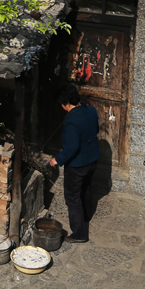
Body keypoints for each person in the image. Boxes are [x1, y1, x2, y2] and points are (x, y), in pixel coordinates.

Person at [48, 84, 100, 243]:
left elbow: (72, 147)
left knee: (72, 197)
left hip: (78, 164)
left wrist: (57, 159)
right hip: (92, 158)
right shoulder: (90, 110)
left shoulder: (71, 120)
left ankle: (79, 233)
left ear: (65, 104)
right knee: (86, 188)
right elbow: (95, 130)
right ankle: (86, 215)